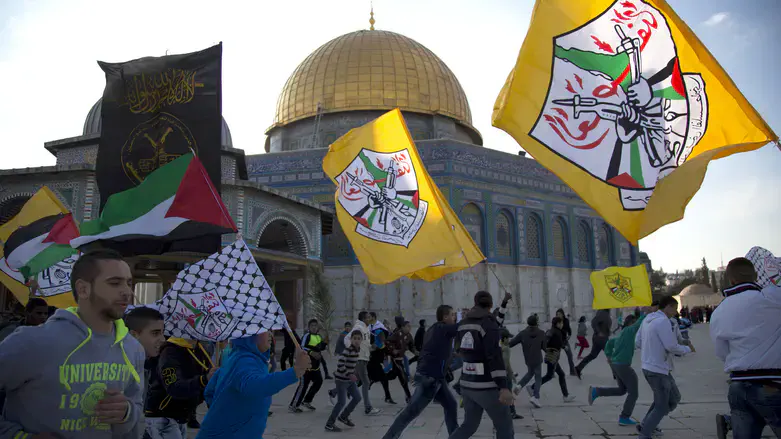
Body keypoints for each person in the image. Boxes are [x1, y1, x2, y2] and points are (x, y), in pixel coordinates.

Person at [0, 249, 145, 438]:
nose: (127, 291)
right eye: (114, 283)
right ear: (83, 289)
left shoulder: (133, 348)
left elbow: (138, 416)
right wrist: (17, 436)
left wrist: (127, 412)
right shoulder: (32, 341)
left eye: (129, 283)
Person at [710, 257, 781, 439]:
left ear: (730, 280)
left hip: (738, 386)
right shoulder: (771, 298)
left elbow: (721, 352)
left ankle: (728, 422)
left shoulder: (719, 311)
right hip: (770, 384)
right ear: (756, 276)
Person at [196, 331, 310, 439]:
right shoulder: (244, 361)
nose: (270, 334)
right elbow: (256, 386)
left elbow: (210, 392)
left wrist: (225, 410)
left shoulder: (241, 356)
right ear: (250, 335)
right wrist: (295, 371)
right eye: (264, 330)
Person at [381, 305, 460, 439]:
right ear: (445, 317)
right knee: (410, 412)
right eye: (453, 315)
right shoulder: (442, 328)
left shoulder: (436, 329)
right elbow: (461, 327)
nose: (455, 317)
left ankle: (455, 436)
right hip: (429, 379)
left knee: (451, 405)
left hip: (436, 378)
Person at [448, 291, 514, 439]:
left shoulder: (463, 323)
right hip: (486, 386)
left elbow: (457, 349)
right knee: (504, 427)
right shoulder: (487, 323)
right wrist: (503, 387)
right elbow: (494, 356)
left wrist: (504, 302)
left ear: (475, 302)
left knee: (469, 425)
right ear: (490, 305)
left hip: (467, 385)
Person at [634, 295, 694, 438]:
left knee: (674, 398)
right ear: (668, 307)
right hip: (657, 369)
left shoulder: (647, 320)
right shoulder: (662, 322)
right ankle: (645, 433)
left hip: (654, 367)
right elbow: (671, 346)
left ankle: (647, 424)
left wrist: (652, 349)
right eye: (674, 309)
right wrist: (687, 350)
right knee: (661, 406)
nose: (675, 312)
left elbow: (638, 342)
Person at [145, 335, 216, 438]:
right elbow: (174, 387)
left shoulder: (199, 350)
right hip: (163, 415)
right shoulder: (170, 351)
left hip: (181, 416)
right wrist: (204, 379)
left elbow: (204, 386)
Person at [588, 312, 647, 426]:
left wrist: (609, 355)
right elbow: (638, 325)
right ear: (630, 323)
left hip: (616, 364)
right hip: (623, 365)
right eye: (633, 323)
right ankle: (624, 417)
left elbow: (610, 343)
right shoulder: (629, 331)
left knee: (622, 390)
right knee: (633, 393)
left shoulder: (622, 334)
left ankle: (597, 391)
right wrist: (645, 314)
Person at [329, 311, 382, 416]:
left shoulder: (366, 328)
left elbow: (364, 343)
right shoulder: (359, 327)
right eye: (367, 318)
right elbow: (347, 339)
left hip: (364, 358)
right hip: (359, 359)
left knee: (353, 380)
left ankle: (334, 392)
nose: (369, 319)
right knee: (366, 382)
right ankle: (368, 408)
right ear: (363, 319)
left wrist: (371, 347)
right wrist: (353, 350)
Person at [325, 330, 363, 432]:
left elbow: (352, 365)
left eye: (359, 339)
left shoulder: (357, 350)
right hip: (342, 380)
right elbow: (340, 364)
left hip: (350, 380)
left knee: (357, 397)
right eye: (354, 338)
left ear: (361, 340)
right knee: (341, 402)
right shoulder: (348, 350)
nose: (356, 340)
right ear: (351, 339)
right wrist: (349, 374)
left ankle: (343, 416)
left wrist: (354, 374)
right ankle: (329, 424)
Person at [290, 319, 327, 412]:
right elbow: (301, 347)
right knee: (303, 385)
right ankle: (294, 405)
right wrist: (311, 352)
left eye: (316, 325)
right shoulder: (307, 336)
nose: (314, 327)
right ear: (309, 327)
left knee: (319, 382)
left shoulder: (318, 336)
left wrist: (325, 342)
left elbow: (321, 347)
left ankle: (307, 401)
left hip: (315, 367)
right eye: (312, 326)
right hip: (306, 366)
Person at [509, 314, 546, 408]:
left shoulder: (523, 333)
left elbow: (511, 343)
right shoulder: (541, 333)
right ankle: (535, 397)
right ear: (536, 323)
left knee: (530, 373)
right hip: (537, 358)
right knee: (538, 378)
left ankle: (519, 386)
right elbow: (545, 347)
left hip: (528, 359)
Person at [538, 317, 576, 403]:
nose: (562, 324)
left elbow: (555, 341)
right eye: (561, 323)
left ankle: (566, 395)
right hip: (552, 356)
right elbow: (552, 340)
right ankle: (533, 387)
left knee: (559, 374)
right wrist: (563, 346)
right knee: (550, 376)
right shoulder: (555, 331)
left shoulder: (554, 331)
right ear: (557, 324)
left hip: (553, 356)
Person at [575, 309, 612, 379]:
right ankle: (616, 374)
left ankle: (578, 368)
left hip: (599, 338)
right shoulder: (603, 313)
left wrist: (607, 331)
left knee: (593, 355)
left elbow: (602, 325)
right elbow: (594, 322)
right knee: (610, 355)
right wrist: (599, 332)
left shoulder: (604, 313)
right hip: (602, 339)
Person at [387, 317, 415, 403]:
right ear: (402, 327)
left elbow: (411, 347)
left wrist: (417, 352)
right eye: (407, 326)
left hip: (401, 360)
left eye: (410, 326)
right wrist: (393, 350)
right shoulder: (397, 334)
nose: (409, 328)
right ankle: (409, 397)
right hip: (395, 360)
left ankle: (379, 378)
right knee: (403, 378)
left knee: (392, 376)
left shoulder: (409, 336)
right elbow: (387, 342)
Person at [500, 330, 523, 420]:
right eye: (508, 338)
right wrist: (511, 375)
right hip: (505, 374)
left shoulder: (498, 347)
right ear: (504, 339)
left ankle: (506, 412)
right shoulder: (506, 348)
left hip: (498, 374)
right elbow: (506, 364)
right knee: (508, 393)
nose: (509, 340)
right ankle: (512, 412)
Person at [556, 309, 576, 376]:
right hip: (558, 341)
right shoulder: (555, 321)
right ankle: (552, 372)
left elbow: (568, 329)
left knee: (570, 356)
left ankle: (572, 371)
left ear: (562, 314)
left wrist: (569, 335)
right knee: (556, 357)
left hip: (564, 341)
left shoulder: (566, 321)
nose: (558, 315)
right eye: (557, 314)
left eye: (559, 314)